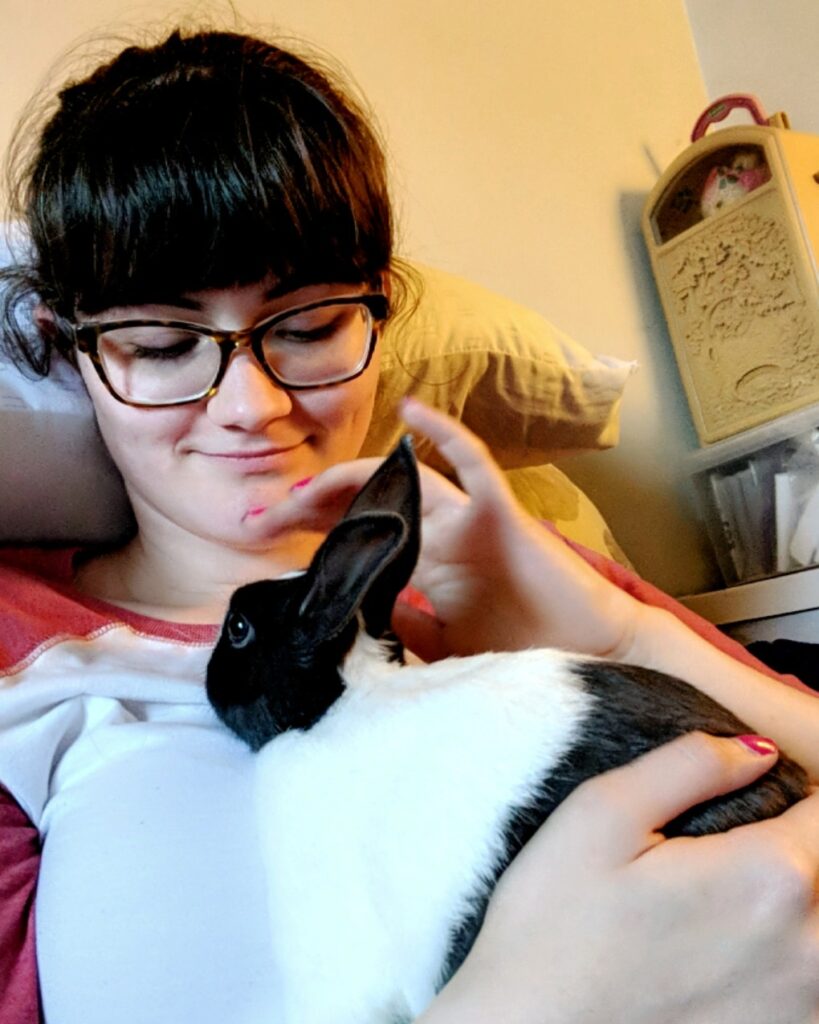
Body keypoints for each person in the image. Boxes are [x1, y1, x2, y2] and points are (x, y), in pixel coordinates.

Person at [1, 26, 818, 1024]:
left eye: (308, 326)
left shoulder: (500, 561)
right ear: (66, 343)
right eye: (164, 343)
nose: (252, 405)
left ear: (380, 312)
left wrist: (616, 631)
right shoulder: (22, 647)